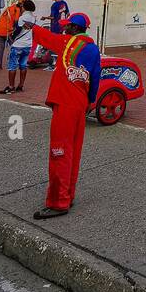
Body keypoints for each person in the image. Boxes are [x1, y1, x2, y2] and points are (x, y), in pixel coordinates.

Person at [29, 12, 102, 219]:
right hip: (80, 103)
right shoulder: (93, 49)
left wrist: (27, 21)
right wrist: (91, 101)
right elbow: (96, 78)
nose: (64, 28)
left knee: (59, 152)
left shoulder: (67, 43)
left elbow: (40, 34)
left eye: (67, 26)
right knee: (73, 151)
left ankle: (58, 202)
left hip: (65, 103)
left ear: (74, 29)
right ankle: (68, 194)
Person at [2, 0, 37, 94]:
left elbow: (18, 30)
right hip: (28, 45)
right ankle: (21, 85)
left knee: (12, 66)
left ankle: (11, 86)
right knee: (23, 65)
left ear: (24, 7)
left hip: (18, 44)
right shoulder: (34, 18)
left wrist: (11, 35)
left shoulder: (22, 18)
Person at [0, 0, 21, 70]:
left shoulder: (9, 8)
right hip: (8, 31)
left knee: (1, 48)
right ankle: (15, 63)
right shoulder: (17, 9)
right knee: (15, 46)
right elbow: (16, 21)